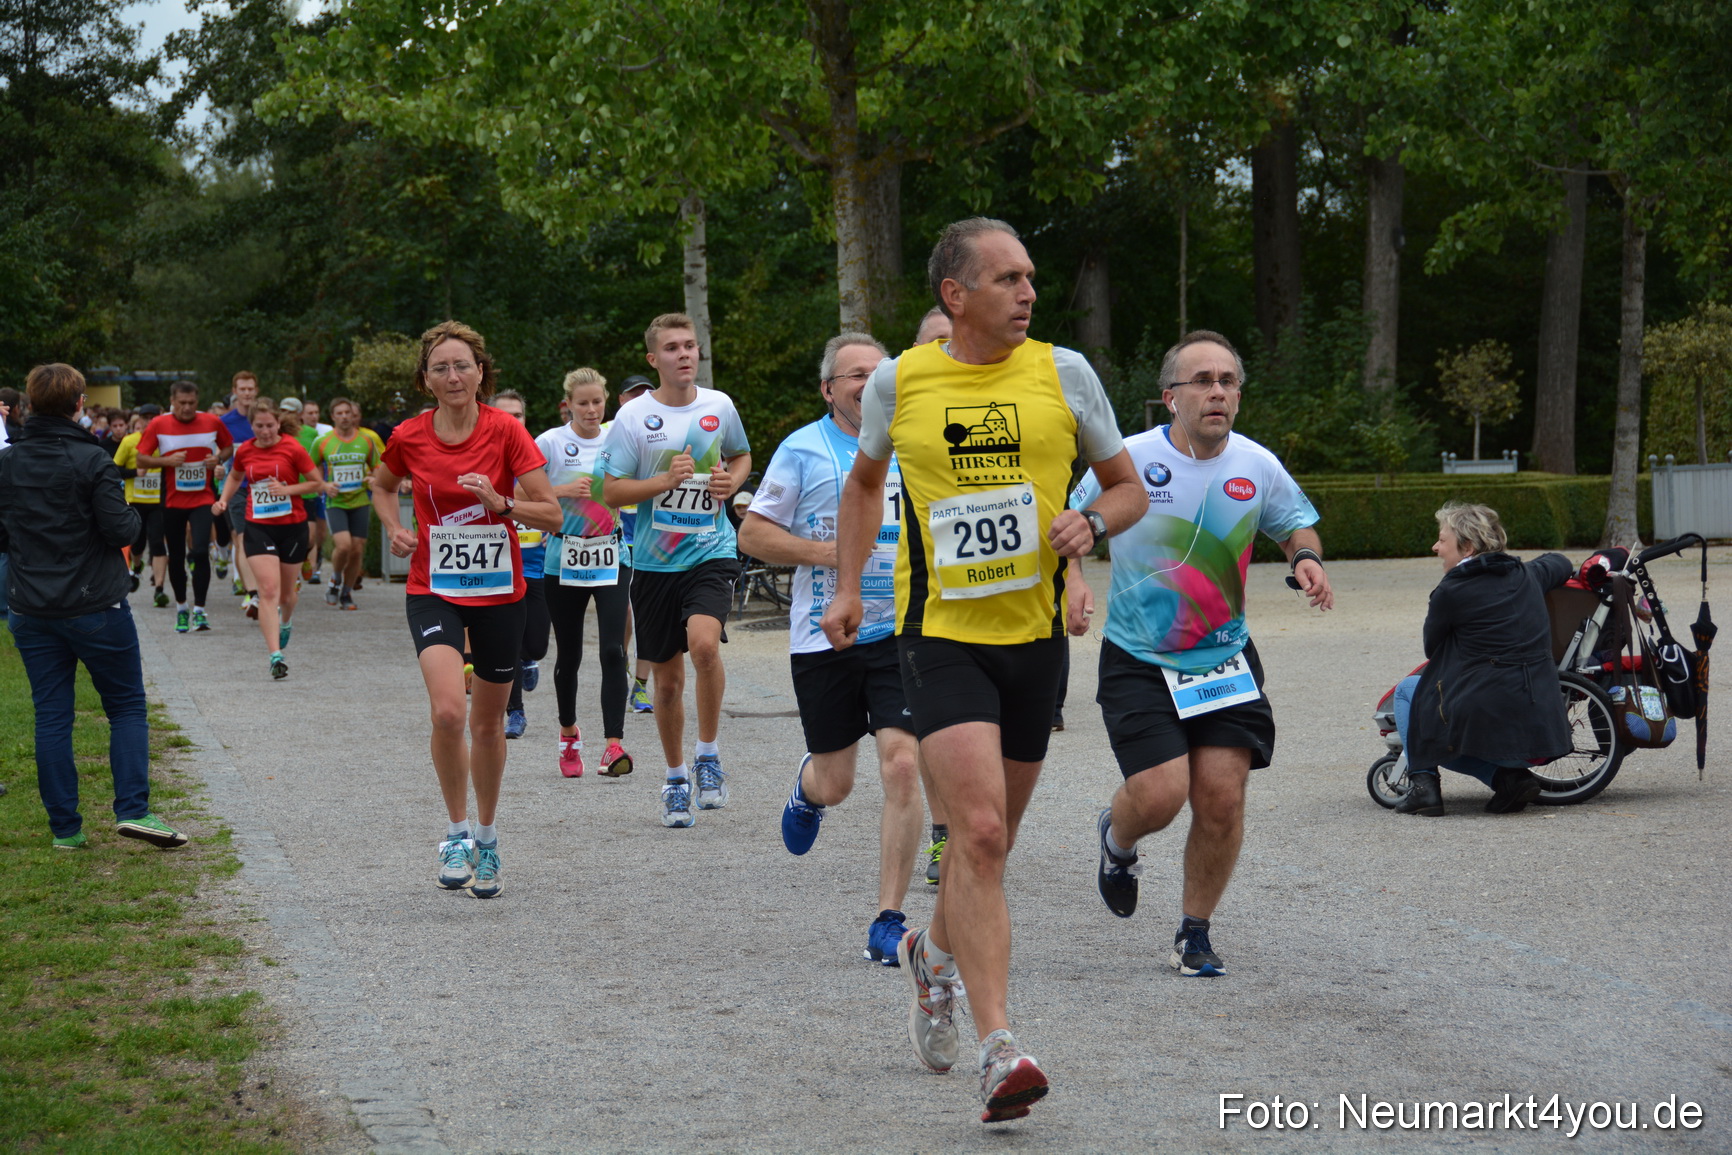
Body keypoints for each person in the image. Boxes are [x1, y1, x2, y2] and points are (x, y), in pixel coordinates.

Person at [821, 218, 1144, 1124]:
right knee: (985, 834)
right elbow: (860, 485)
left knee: (980, 848)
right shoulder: (901, 380)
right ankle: (1001, 1045)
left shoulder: (1064, 373)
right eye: (1007, 278)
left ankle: (930, 953)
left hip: (1033, 639)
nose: (1028, 292)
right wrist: (848, 589)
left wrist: (1093, 524)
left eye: (1031, 277)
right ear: (955, 295)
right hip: (938, 633)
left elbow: (1126, 485)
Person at [1071, 329, 1332, 982]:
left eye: (1229, 381)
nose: (1218, 392)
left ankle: (1194, 931)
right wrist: (1073, 579)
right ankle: (1118, 840)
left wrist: (1304, 557)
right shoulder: (1125, 459)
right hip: (1138, 656)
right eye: (1204, 381)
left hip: (1222, 658)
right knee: (1160, 794)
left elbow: (1296, 520)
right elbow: (1070, 525)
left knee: (1221, 796)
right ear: (1169, 397)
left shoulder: (1256, 464)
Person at [740, 332, 922, 966]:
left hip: (904, 632)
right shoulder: (803, 449)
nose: (869, 384)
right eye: (855, 376)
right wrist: (834, 554)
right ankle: (807, 790)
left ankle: (887, 918)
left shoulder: (918, 443)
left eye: (879, 374)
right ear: (829, 389)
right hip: (825, 634)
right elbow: (754, 533)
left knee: (902, 765)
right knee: (838, 782)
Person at [371, 320, 560, 899]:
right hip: (434, 589)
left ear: (481, 372)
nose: (452, 376)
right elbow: (382, 486)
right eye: (440, 368)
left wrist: (501, 503)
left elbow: (551, 514)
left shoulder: (506, 433)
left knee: (488, 722)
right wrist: (395, 527)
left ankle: (487, 838)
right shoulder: (408, 436)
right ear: (425, 379)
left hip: (500, 595)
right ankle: (454, 834)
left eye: (462, 366)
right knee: (450, 711)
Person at [0, 364, 188, 850]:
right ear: (80, 404)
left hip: (31, 607)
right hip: (95, 604)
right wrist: (131, 519)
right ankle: (133, 809)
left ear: (29, 405)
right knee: (126, 705)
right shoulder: (92, 459)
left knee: (52, 716)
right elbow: (123, 531)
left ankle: (65, 829)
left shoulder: (8, 461)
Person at [599, 313, 751, 828]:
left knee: (705, 644)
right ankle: (676, 777)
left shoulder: (719, 405)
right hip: (654, 563)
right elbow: (611, 491)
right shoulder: (632, 418)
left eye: (690, 346)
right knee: (666, 684)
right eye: (672, 348)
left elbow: (742, 454)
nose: (685, 354)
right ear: (653, 359)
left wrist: (731, 481)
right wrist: (663, 480)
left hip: (711, 549)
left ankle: (708, 755)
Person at [1391, 502, 1573, 817]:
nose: (1435, 547)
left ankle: (1424, 786)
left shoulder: (1450, 591)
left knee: (1408, 691)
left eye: (1442, 540)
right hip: (1542, 713)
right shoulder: (1528, 574)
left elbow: (1432, 648)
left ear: (1468, 547)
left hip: (1487, 715)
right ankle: (1508, 779)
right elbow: (1561, 562)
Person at [537, 369, 634, 778]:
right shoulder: (551, 442)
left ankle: (614, 745)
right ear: (569, 405)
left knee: (613, 650)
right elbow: (521, 491)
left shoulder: (618, 438)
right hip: (564, 555)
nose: (591, 410)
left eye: (597, 402)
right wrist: (561, 491)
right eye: (583, 403)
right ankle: (568, 734)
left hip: (611, 551)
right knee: (570, 654)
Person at [213, 404, 327, 679]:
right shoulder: (246, 451)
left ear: (278, 424)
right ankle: (275, 655)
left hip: (292, 528)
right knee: (267, 591)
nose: (264, 431)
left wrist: (287, 489)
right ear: (251, 426)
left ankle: (285, 621)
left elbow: (316, 483)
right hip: (258, 526)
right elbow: (236, 476)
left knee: (287, 596)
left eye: (269, 426)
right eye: (259, 426)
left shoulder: (293, 449)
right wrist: (224, 499)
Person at [908, 305, 953, 889]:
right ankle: (945, 837)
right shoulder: (897, 409)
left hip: (1005, 605)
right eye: (935, 341)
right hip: (917, 606)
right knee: (927, 734)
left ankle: (968, 832)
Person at [137, 380, 233, 633]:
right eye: (182, 403)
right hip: (171, 501)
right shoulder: (159, 424)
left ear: (197, 401)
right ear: (173, 401)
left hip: (202, 498)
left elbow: (227, 446)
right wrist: (166, 461)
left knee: (200, 551)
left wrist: (218, 458)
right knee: (176, 556)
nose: (187, 408)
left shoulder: (212, 421)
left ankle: (199, 610)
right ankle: (181, 608)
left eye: (192, 403)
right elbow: (141, 458)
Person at [490, 389, 552, 739]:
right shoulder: (484, 457)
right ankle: (515, 713)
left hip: (538, 566)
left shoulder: (542, 456)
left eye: (519, 415)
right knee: (508, 643)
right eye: (505, 415)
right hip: (502, 569)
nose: (513, 422)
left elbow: (560, 498)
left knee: (537, 644)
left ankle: (530, 660)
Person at [313, 397, 384, 610]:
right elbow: (311, 467)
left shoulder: (366, 440)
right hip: (336, 501)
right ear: (333, 416)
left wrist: (373, 478)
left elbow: (378, 466)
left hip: (360, 500)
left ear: (353, 416)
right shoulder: (323, 441)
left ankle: (346, 593)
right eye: (340, 413)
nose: (344, 417)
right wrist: (323, 485)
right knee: (344, 545)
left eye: (348, 413)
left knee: (357, 549)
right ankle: (335, 578)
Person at [614, 373, 658, 714]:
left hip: (650, 534)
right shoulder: (605, 432)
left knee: (641, 612)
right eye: (633, 395)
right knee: (622, 616)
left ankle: (640, 685)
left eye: (646, 394)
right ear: (621, 400)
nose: (640, 400)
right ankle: (618, 669)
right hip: (613, 536)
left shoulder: (662, 431)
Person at [218, 371, 264, 611]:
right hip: (237, 488)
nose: (246, 393)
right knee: (242, 538)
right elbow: (217, 453)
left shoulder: (266, 419)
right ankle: (253, 593)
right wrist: (216, 467)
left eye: (250, 389)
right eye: (242, 389)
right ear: (234, 391)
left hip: (264, 488)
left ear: (256, 390)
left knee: (262, 539)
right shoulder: (225, 422)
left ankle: (260, 586)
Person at [114, 412, 169, 605]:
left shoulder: (166, 442)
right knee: (137, 544)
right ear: (141, 422)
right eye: (147, 420)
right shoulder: (130, 442)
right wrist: (135, 473)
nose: (150, 423)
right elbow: (114, 469)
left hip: (159, 501)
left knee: (158, 543)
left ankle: (160, 589)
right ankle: (136, 567)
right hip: (136, 500)